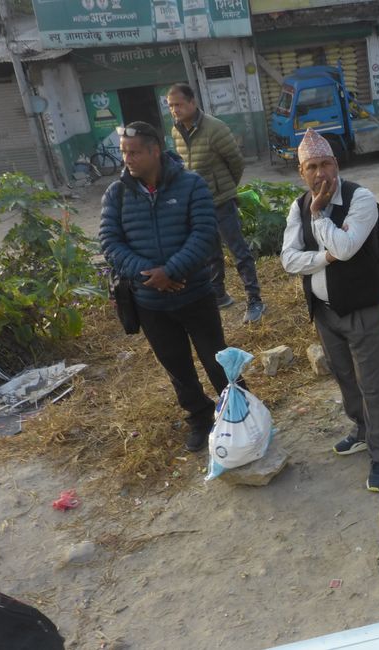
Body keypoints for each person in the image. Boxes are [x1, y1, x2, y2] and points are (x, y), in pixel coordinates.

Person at [100, 121, 241, 453]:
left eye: (133, 152)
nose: (127, 159)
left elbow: (204, 232)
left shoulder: (191, 185)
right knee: (176, 367)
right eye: (123, 153)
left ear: (154, 150)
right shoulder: (116, 194)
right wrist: (149, 275)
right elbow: (109, 242)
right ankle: (200, 417)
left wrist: (173, 270)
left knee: (217, 360)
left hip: (194, 295)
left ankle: (238, 413)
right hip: (150, 302)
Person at [280, 129, 379, 493]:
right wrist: (322, 258)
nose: (320, 173)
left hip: (362, 309)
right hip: (325, 313)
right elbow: (288, 258)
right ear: (302, 172)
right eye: (311, 166)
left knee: (373, 385)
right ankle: (361, 430)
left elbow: (346, 248)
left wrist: (319, 216)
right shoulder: (297, 205)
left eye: (326, 164)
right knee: (345, 377)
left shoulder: (361, 199)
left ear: (337, 164)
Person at [167, 83, 266, 322]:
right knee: (210, 254)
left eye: (178, 104)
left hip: (221, 202)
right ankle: (220, 295)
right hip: (198, 205)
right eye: (170, 106)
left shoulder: (215, 128)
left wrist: (226, 188)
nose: (174, 110)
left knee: (239, 252)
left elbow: (236, 162)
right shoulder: (176, 131)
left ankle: (255, 300)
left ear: (193, 103)